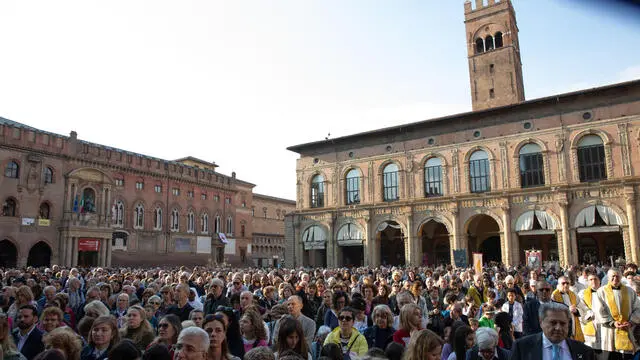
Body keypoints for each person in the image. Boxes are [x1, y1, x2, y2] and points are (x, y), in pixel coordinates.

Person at [510, 302, 595, 360]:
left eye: (563, 323)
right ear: (541, 322)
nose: (558, 328)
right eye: (553, 323)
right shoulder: (522, 348)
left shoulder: (584, 351)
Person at [595, 269, 640, 360]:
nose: (615, 278)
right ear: (608, 278)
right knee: (613, 355)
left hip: (628, 329)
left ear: (621, 277)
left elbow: (638, 308)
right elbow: (599, 310)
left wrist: (631, 321)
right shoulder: (601, 292)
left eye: (617, 276)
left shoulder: (630, 291)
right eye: (613, 276)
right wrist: (612, 322)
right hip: (611, 330)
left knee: (628, 356)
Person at [577, 271, 603, 358]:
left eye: (595, 279)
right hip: (590, 324)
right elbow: (581, 307)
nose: (593, 281)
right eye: (590, 279)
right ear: (587, 282)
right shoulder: (582, 294)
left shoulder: (605, 292)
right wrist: (589, 313)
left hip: (604, 325)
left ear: (599, 281)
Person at [552, 276, 584, 342]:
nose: (566, 285)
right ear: (558, 284)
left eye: (567, 283)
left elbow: (582, 307)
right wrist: (567, 310)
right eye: (563, 283)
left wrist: (576, 311)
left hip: (573, 325)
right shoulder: (553, 295)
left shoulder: (573, 294)